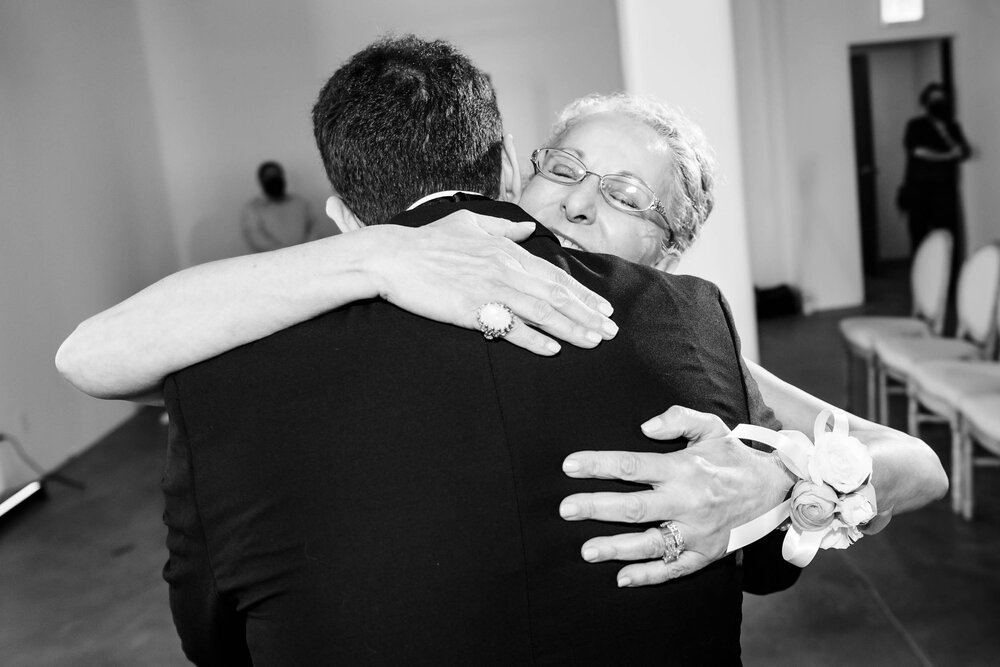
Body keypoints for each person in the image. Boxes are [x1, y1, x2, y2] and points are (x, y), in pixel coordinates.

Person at [56, 36, 947, 660]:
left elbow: (914, 463)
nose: (578, 203)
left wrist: (786, 477)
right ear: (515, 170)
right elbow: (96, 354)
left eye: (628, 196)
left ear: (671, 251)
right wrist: (379, 252)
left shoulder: (690, 331)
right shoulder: (379, 287)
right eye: (564, 170)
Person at [899, 83, 971, 261]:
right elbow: (918, 151)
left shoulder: (953, 127)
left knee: (948, 238)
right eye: (934, 99)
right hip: (919, 190)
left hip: (945, 191)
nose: (939, 102)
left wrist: (947, 136)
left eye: (942, 98)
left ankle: (951, 284)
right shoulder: (915, 125)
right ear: (925, 102)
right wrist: (948, 156)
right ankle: (922, 283)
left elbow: (964, 152)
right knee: (920, 239)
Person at [240, 161, 317, 252]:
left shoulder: (300, 203)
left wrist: (303, 250)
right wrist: (286, 254)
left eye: (276, 175)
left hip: (307, 256)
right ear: (261, 181)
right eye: (269, 177)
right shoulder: (253, 209)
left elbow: (314, 229)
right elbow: (258, 240)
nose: (274, 179)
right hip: (274, 261)